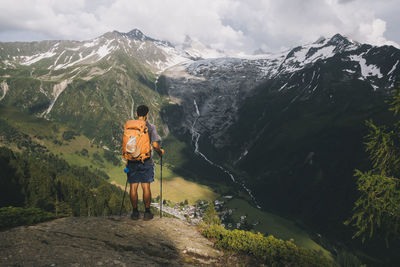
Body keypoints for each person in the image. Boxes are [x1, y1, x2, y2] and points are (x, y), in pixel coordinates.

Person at [125, 105, 164, 220]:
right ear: (147, 115)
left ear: (137, 114)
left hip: (132, 160)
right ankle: (147, 213)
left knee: (133, 187)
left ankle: (135, 212)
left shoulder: (130, 126)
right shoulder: (150, 127)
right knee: (146, 187)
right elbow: (155, 145)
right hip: (146, 160)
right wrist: (160, 152)